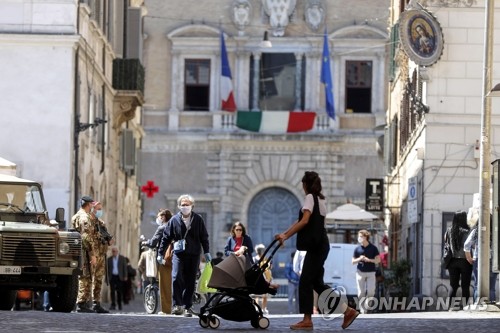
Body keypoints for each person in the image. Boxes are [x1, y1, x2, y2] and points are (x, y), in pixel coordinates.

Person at [275, 171, 359, 330]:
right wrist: (284, 234)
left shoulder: (309, 198)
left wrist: (285, 236)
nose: (302, 187)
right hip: (321, 245)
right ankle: (347, 311)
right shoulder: (320, 200)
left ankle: (307, 320)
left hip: (316, 247)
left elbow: (305, 220)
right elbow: (301, 221)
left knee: (305, 281)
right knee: (317, 284)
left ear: (306, 184)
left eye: (303, 184)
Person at [157, 194, 211, 317]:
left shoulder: (198, 219)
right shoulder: (174, 220)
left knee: (190, 280)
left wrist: (206, 251)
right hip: (178, 254)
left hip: (194, 254)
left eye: (187, 204)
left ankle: (187, 306)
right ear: (179, 206)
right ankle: (177, 305)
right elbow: (166, 238)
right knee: (176, 277)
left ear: (192, 206)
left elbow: (204, 237)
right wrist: (160, 253)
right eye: (182, 204)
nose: (185, 206)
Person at [143, 208, 174, 315]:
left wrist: (145, 242)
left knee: (165, 285)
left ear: (163, 217)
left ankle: (166, 310)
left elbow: (153, 242)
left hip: (165, 259)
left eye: (159, 216)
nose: (158, 218)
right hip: (176, 258)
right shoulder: (175, 226)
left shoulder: (162, 227)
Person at [71, 195, 98, 313]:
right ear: (88, 204)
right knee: (85, 276)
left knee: (83, 275)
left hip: (78, 249)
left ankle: (83, 303)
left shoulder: (77, 215)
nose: (93, 206)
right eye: (92, 204)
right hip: (84, 250)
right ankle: (81, 303)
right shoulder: (84, 217)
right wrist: (92, 254)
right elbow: (86, 237)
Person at [464, 215, 498, 303]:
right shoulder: (496, 231)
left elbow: (466, 245)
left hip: (478, 260)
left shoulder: (476, 231)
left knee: (477, 284)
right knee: (492, 286)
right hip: (493, 260)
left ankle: (477, 304)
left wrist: (469, 258)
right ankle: (492, 303)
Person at [446, 210, 473, 310]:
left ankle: (450, 307)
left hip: (452, 261)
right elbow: (471, 245)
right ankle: (465, 306)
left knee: (453, 285)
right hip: (465, 261)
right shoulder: (467, 231)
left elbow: (446, 245)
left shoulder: (449, 230)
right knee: (465, 285)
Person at [88, 201, 112, 313]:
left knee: (98, 280)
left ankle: (96, 303)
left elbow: (106, 237)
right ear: (92, 209)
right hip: (92, 255)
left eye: (101, 209)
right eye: (98, 209)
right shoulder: (88, 222)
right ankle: (84, 302)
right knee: (88, 279)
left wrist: (109, 239)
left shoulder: (101, 223)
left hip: (101, 255)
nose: (100, 211)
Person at [352, 229, 381, 314]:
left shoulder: (373, 248)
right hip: (360, 272)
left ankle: (367, 306)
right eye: (359, 236)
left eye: (361, 236)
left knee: (371, 291)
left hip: (371, 272)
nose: (359, 238)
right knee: (361, 292)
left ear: (366, 237)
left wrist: (369, 260)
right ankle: (362, 309)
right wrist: (360, 259)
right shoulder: (357, 249)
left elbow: (378, 260)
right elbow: (352, 261)